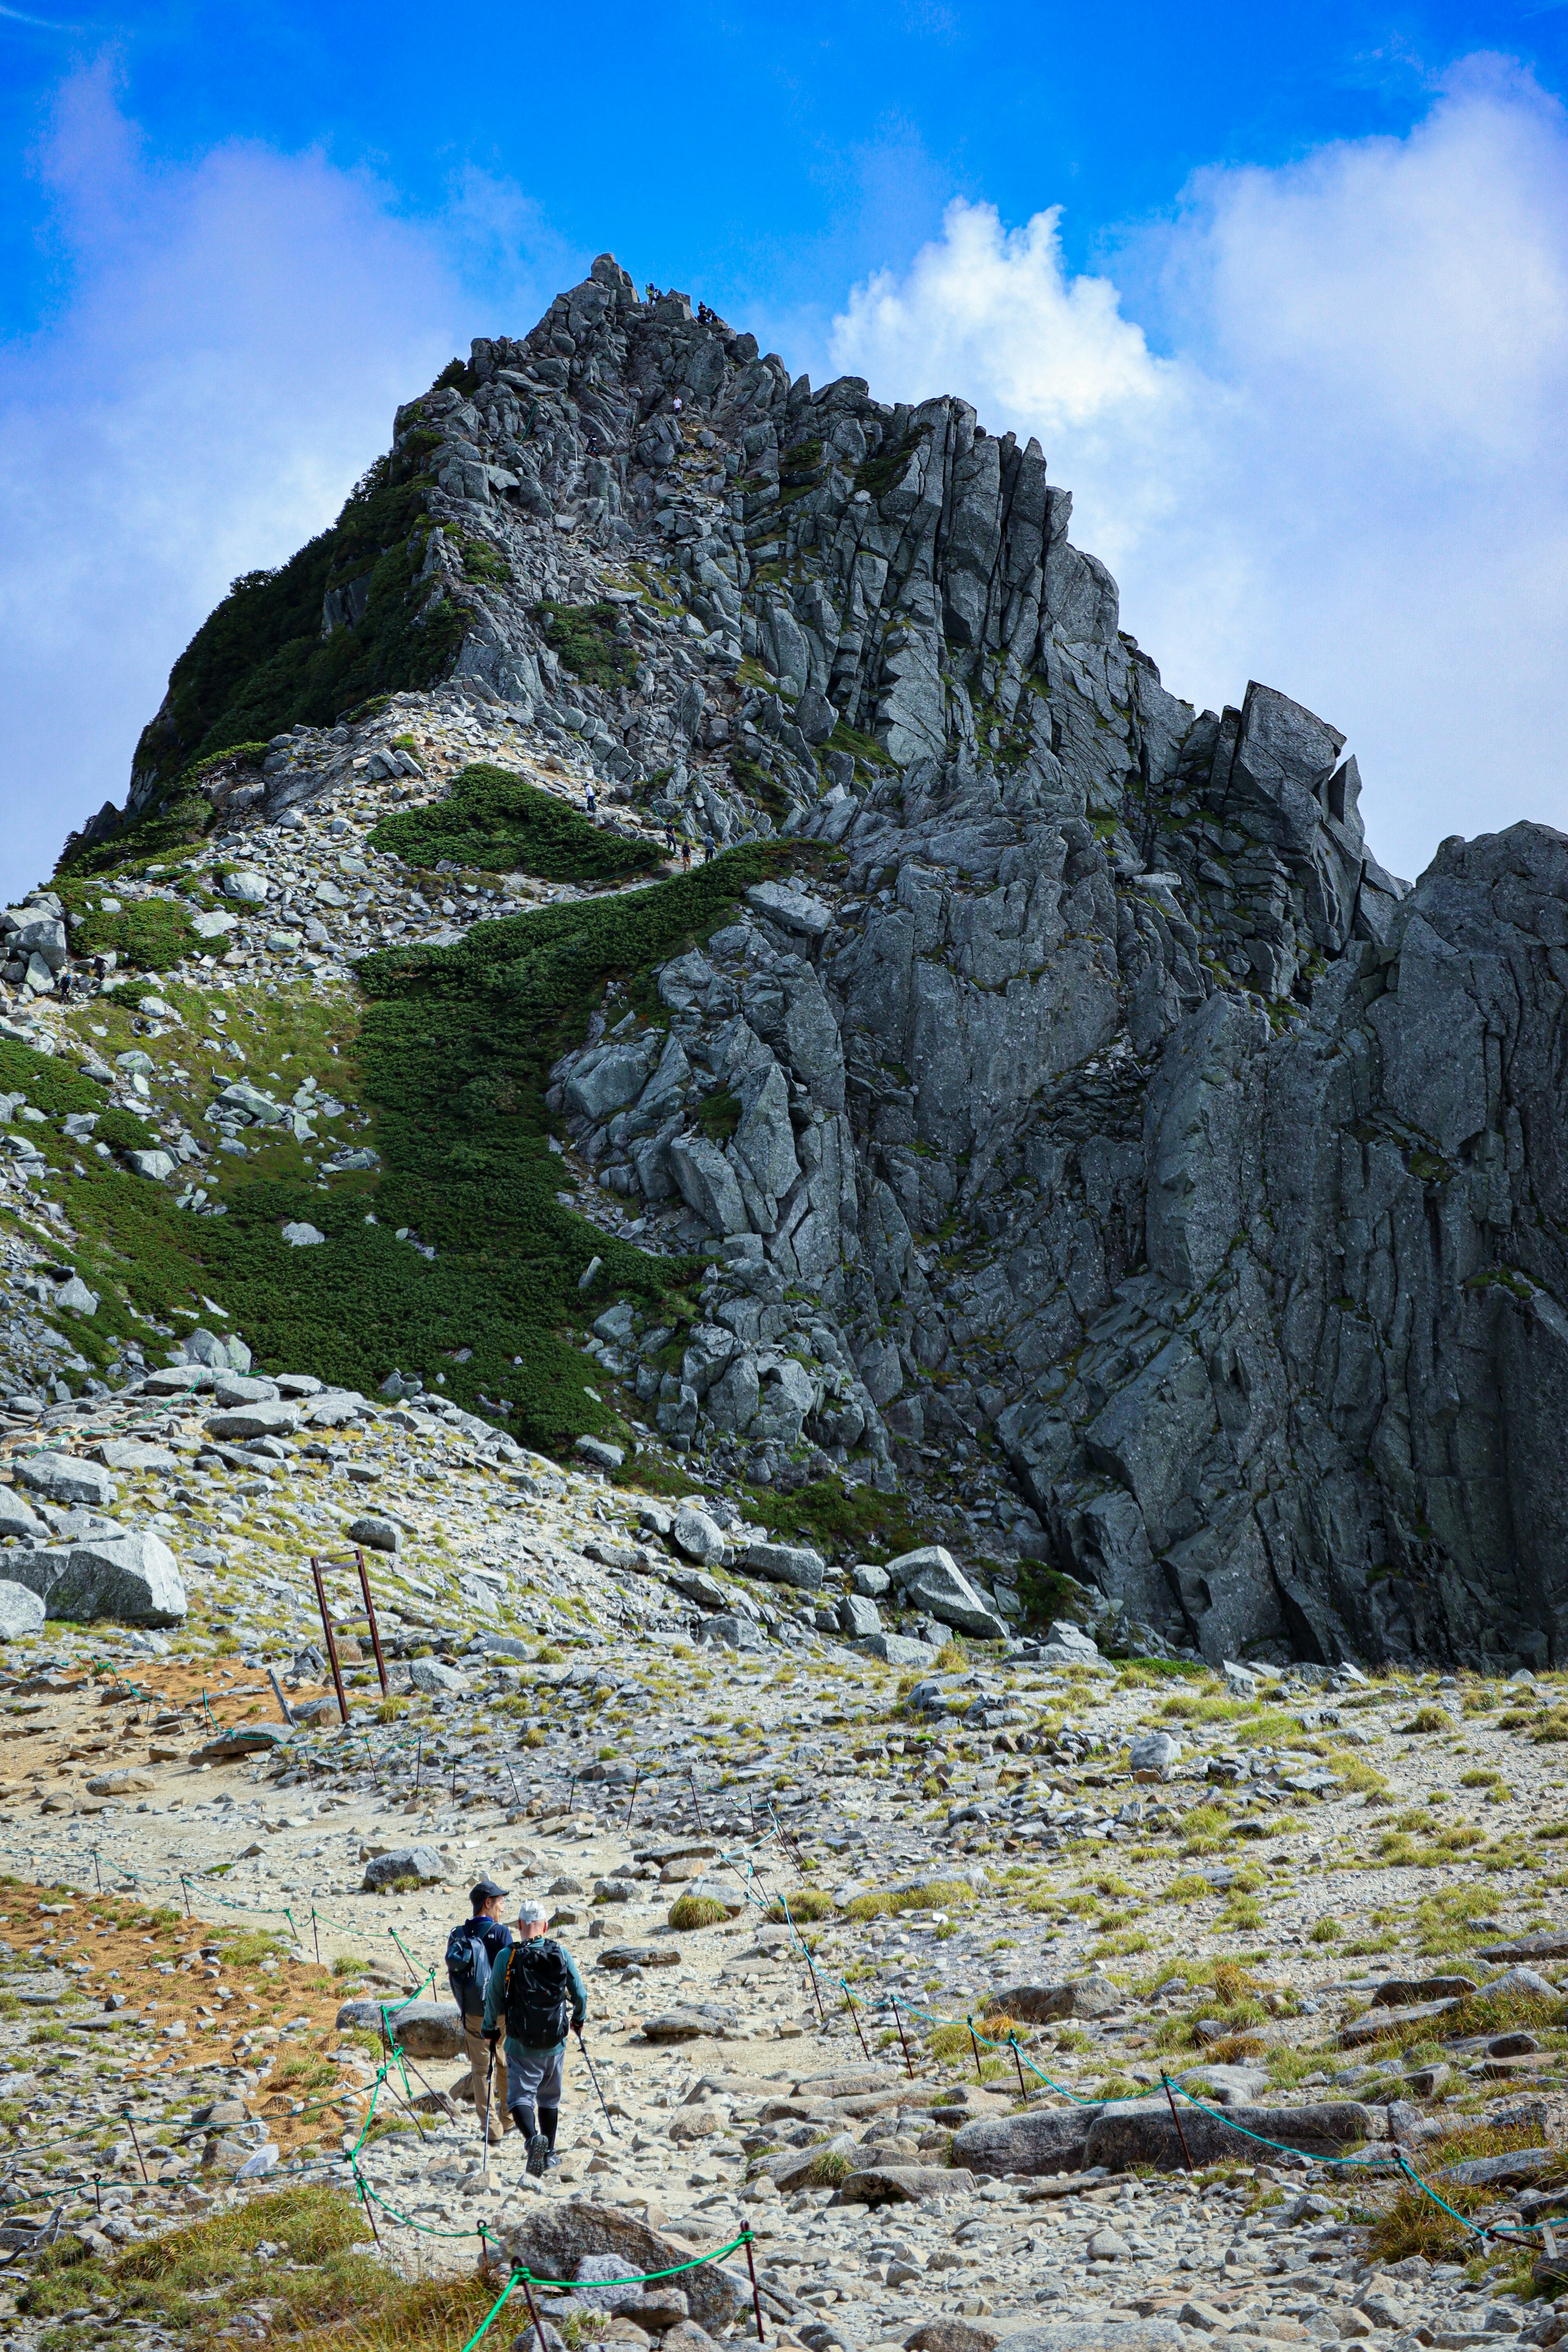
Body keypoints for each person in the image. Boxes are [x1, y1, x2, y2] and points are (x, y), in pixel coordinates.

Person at [483, 1897, 587, 2176]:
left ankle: (532, 2140)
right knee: (549, 2099)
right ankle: (550, 2153)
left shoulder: (508, 1956)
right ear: (546, 1926)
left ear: (519, 1925)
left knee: (519, 2098)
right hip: (555, 2042)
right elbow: (581, 1995)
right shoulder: (561, 1954)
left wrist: (489, 2029)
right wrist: (578, 2020)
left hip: (520, 2042)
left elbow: (494, 1996)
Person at [445, 1878, 512, 2144]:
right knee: (505, 2063)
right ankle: (508, 2118)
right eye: (500, 1903)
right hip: (501, 2013)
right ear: (488, 1903)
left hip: (472, 2012)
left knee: (481, 2070)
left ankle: (491, 2130)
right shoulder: (501, 1933)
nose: (503, 1909)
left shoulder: (457, 1935)